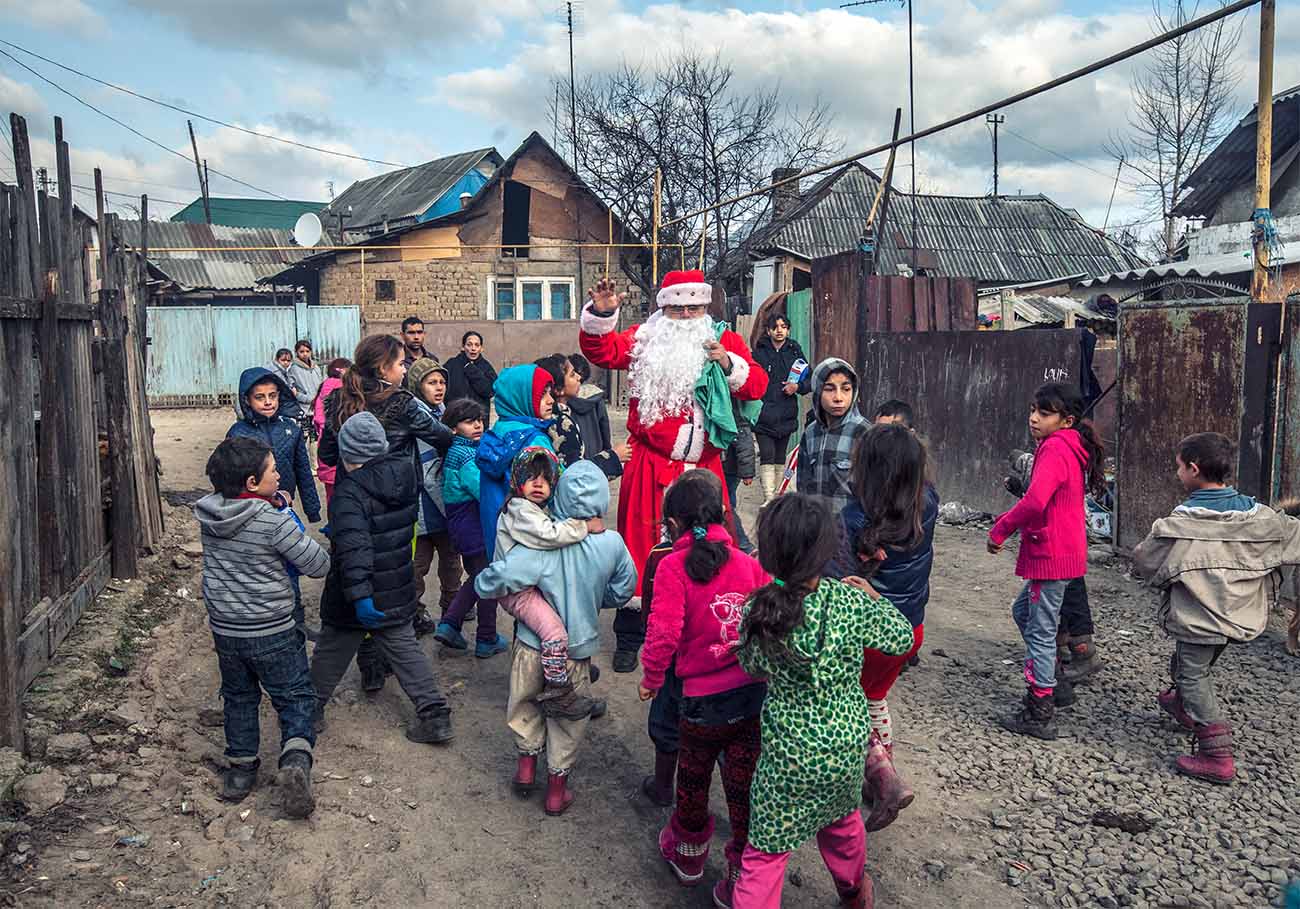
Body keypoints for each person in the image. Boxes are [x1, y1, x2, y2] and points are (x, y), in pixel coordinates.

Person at [731, 494, 914, 909]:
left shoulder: (759, 610)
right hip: (846, 748)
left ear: (771, 554)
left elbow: (752, 665)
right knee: (843, 822)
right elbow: (902, 637)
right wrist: (875, 597)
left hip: (787, 757)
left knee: (766, 851)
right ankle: (854, 893)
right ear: (828, 550)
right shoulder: (850, 601)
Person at [579, 270, 768, 592]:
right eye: (676, 309)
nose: (685, 316)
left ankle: (708, 614)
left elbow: (756, 386)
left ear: (704, 308)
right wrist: (602, 313)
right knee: (644, 550)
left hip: (706, 471)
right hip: (651, 468)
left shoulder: (724, 340)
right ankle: (636, 619)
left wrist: (727, 364)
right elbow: (604, 352)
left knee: (711, 550)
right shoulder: (646, 338)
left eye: (693, 309)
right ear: (663, 309)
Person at [1133, 432, 1300, 784]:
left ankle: (1217, 754)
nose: (1177, 473)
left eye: (1179, 467)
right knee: (1192, 665)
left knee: (1193, 673)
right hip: (1241, 615)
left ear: (1194, 469)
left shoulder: (1179, 524)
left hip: (1198, 617)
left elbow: (1144, 562)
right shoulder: (1263, 517)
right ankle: (1182, 703)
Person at [474, 461, 638, 815]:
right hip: (576, 652)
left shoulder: (538, 544)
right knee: (567, 720)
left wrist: (483, 584)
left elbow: (497, 579)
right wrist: (597, 599)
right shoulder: (612, 544)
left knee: (525, 704)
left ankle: (525, 770)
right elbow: (624, 590)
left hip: (531, 645)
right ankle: (556, 792)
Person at [638, 471, 768, 900]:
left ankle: (690, 857)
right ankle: (740, 874)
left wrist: (653, 678)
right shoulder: (750, 566)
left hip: (699, 706)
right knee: (742, 786)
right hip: (751, 700)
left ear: (673, 525)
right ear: (724, 514)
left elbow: (663, 633)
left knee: (693, 782)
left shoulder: (673, 567)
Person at [194, 437, 330, 816]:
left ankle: (240, 771)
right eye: (274, 470)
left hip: (226, 630)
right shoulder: (273, 521)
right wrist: (286, 516)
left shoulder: (208, 516)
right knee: (295, 697)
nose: (280, 474)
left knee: (239, 697)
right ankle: (296, 761)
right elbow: (317, 565)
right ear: (253, 484)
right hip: (273, 628)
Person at [318, 334, 453, 689]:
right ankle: (386, 657)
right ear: (383, 369)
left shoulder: (336, 400)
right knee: (393, 579)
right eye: (399, 363)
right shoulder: (403, 404)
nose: (404, 368)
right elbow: (443, 437)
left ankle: (370, 663)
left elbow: (328, 456)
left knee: (355, 572)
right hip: (397, 506)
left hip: (351, 506)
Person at [310, 413, 455, 745]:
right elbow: (387, 529)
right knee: (405, 649)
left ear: (348, 455)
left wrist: (360, 596)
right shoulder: (403, 477)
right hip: (396, 584)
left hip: (358, 592)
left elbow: (356, 549)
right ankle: (435, 715)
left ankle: (308, 709)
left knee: (332, 650)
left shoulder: (350, 493)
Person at [828, 425, 938, 832]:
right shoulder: (927, 505)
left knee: (850, 703)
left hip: (868, 635)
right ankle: (881, 773)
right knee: (875, 699)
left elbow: (835, 577)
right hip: (910, 629)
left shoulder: (853, 518)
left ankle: (880, 775)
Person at [987, 383, 1106, 740]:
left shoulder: (1055, 448)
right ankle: (1053, 682)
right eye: (1034, 410)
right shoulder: (1068, 446)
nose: (1034, 418)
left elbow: (1035, 501)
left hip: (1051, 552)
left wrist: (1000, 529)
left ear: (1066, 420)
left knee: (1040, 628)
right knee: (1024, 612)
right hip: (1064, 550)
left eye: (1044, 413)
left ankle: (1039, 708)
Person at [492, 446, 599, 718]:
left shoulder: (535, 508)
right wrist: (583, 527)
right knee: (554, 631)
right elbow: (549, 535)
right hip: (518, 590)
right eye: (531, 477)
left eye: (545, 479)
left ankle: (565, 664)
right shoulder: (519, 510)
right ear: (517, 480)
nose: (538, 484)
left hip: (529, 582)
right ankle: (559, 690)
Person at [434, 398, 503, 658]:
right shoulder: (465, 454)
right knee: (487, 580)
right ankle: (482, 635)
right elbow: (480, 489)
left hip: (463, 524)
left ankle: (455, 625)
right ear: (452, 428)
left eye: (479, 420)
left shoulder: (463, 450)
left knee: (480, 577)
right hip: (471, 523)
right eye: (468, 421)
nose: (477, 425)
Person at [475, 364, 557, 561]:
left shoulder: (497, 432)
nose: (551, 400)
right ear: (521, 397)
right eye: (542, 394)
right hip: (529, 541)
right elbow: (555, 490)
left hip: (499, 537)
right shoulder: (535, 441)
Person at [405, 358, 461, 637]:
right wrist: (451, 507)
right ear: (417, 386)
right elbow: (428, 473)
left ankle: (453, 610)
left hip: (444, 507)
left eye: (442, 382)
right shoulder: (419, 418)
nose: (439, 388)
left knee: (452, 564)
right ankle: (415, 613)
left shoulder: (441, 412)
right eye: (432, 382)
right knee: (417, 567)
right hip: (424, 508)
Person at [227, 367, 321, 526]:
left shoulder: (291, 430)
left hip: (284, 504)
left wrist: (312, 509)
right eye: (259, 397)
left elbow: (303, 470)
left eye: (272, 395)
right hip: (250, 509)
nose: (268, 402)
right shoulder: (237, 434)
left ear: (280, 396)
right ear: (247, 400)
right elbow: (230, 477)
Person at [637, 531, 679, 801]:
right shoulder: (739, 559)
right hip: (719, 667)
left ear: (672, 523)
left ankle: (663, 786)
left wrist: (652, 675)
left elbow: (655, 618)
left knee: (666, 724)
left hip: (673, 665)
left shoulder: (663, 556)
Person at [796, 358, 868, 513]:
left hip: (852, 532)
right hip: (816, 527)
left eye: (846, 389)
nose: (838, 398)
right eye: (829, 389)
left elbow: (875, 494)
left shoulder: (864, 433)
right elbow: (803, 487)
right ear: (818, 392)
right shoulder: (810, 434)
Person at [536, 354, 626, 478]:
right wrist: (613, 457)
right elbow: (576, 474)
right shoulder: (559, 423)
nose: (579, 377)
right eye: (572, 374)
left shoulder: (560, 414)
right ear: (558, 389)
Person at [752, 311, 808, 502]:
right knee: (766, 455)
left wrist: (797, 387)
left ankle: (778, 496)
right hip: (763, 414)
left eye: (783, 327)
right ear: (768, 331)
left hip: (786, 413)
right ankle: (768, 497)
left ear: (788, 330)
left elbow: (808, 380)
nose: (779, 331)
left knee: (779, 457)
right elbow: (749, 380)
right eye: (775, 327)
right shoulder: (759, 353)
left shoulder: (795, 352)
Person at [565, 353, 622, 479]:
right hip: (596, 452)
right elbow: (604, 425)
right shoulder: (596, 397)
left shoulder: (564, 398)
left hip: (576, 455)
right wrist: (607, 451)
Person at [722, 399, 758, 553]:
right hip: (730, 468)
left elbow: (745, 445)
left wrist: (747, 473)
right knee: (730, 503)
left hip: (730, 468)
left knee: (728, 505)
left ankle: (743, 545)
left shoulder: (735, 418)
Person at [314, 358, 351, 507]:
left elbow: (318, 420)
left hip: (325, 451)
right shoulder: (342, 390)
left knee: (332, 499)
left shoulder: (323, 389)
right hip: (340, 453)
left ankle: (332, 526)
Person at [445, 330, 498, 415]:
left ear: (481, 348)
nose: (473, 348)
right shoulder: (451, 364)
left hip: (478, 418)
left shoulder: (486, 367)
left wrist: (470, 369)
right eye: (469, 345)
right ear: (463, 347)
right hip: (455, 417)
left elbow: (490, 391)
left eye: (477, 345)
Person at [270, 349, 305, 421]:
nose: (286, 363)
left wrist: (292, 386)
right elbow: (283, 385)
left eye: (288, 361)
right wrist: (291, 389)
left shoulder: (284, 369)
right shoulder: (275, 371)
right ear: (277, 359)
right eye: (283, 360)